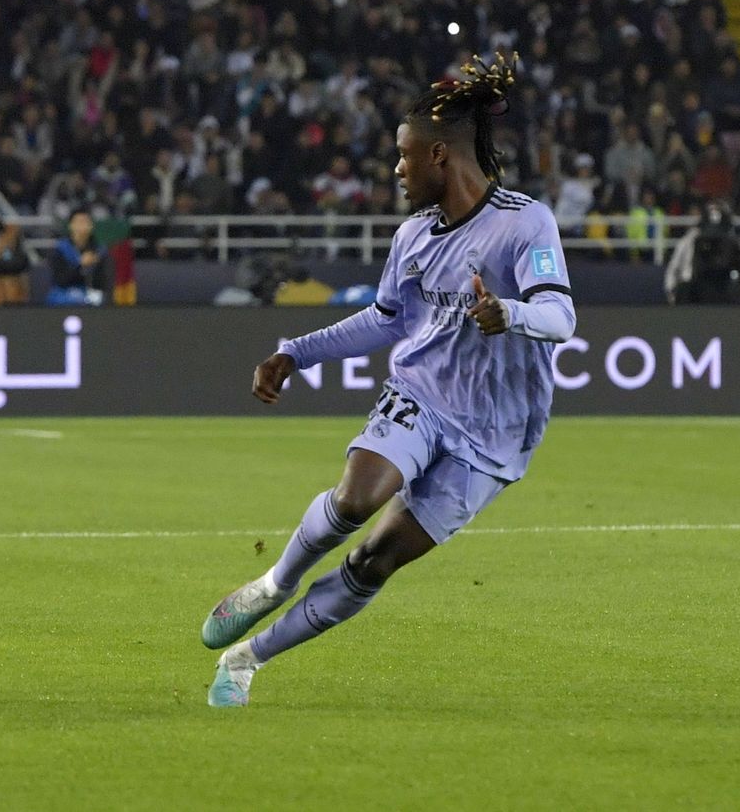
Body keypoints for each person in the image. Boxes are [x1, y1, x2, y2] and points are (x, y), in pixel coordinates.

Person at [199, 54, 578, 707]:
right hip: (422, 394)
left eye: (403, 158)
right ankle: (274, 582)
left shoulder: (525, 222)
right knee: (357, 497)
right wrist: (297, 351)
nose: (396, 172)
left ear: (438, 155)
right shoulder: (412, 236)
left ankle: (247, 659)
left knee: (377, 559)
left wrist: (506, 311)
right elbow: (384, 320)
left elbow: (560, 314)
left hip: (495, 434)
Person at [664, 200, 740, 304]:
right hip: (694, 291)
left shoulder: (736, 242)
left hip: (726, 290)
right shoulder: (689, 240)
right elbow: (674, 268)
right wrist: (671, 289)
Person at [46, 208, 108, 305]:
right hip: (63, 293)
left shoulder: (100, 250)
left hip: (88, 294)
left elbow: (103, 282)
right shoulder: (60, 249)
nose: (82, 226)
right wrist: (80, 264)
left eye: (85, 222)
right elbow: (60, 280)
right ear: (70, 225)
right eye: (79, 222)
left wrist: (93, 266)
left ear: (91, 226)